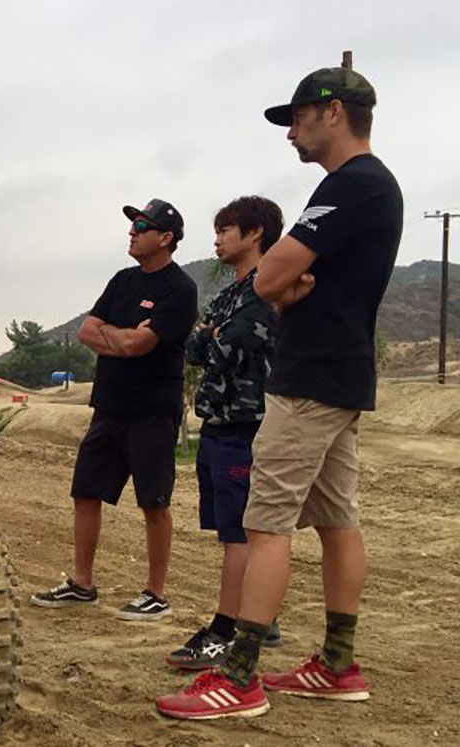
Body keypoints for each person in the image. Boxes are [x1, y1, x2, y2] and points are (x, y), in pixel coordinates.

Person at [157, 65, 402, 720]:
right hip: (342, 376)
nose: (290, 132)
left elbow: (269, 277)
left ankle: (239, 677)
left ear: (332, 111)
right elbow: (283, 277)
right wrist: (287, 283)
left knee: (265, 524)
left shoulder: (349, 185)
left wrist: (282, 284)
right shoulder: (373, 186)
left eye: (296, 118)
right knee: (337, 520)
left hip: (308, 381)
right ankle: (338, 664)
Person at [31, 199, 198, 621]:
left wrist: (116, 337)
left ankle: (156, 593)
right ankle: (82, 584)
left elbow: (139, 345)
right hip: (109, 406)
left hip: (153, 411)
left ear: (166, 238)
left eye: (141, 226)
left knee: (153, 503)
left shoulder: (180, 289)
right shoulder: (122, 280)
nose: (131, 232)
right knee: (85, 494)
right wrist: (120, 338)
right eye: (132, 225)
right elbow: (87, 331)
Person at [167, 196, 284, 671]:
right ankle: (261, 617)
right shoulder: (232, 294)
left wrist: (212, 336)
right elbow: (195, 348)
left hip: (246, 426)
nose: (216, 239)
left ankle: (226, 630)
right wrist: (210, 336)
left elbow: (227, 350)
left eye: (225, 229)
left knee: (241, 533)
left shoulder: (263, 290)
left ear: (255, 233)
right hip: (219, 425)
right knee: (232, 530)